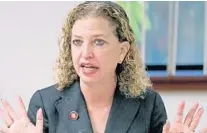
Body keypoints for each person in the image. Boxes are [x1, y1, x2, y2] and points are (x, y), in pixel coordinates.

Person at [0, 1, 206, 133]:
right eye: (77, 42)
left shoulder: (148, 104)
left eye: (98, 42)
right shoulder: (45, 103)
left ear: (122, 51)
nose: (85, 53)